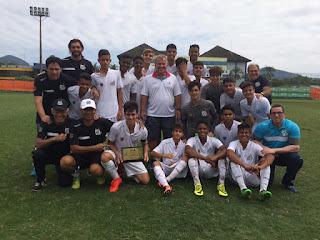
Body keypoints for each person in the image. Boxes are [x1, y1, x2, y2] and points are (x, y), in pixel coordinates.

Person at [60, 99, 118, 191]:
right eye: (85, 110)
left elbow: (118, 127)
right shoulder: (75, 125)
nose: (88, 112)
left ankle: (99, 174)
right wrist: (95, 147)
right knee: (64, 162)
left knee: (96, 170)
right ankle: (76, 175)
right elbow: (74, 149)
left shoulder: (101, 122)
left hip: (96, 156)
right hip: (79, 156)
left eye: (91, 110)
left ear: (95, 110)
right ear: (81, 110)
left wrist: (136, 122)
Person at [252, 104, 303, 193]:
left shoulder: (292, 126)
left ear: (284, 114)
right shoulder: (262, 126)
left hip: (283, 154)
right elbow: (253, 141)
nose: (276, 115)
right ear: (270, 115)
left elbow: (296, 147)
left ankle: (287, 182)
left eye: (279, 113)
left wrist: (275, 150)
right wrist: (265, 148)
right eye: (274, 113)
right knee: (269, 183)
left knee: (297, 159)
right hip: (267, 154)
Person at [140, 55, 181, 158]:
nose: (161, 66)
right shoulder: (148, 79)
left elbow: (177, 95)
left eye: (163, 64)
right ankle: (154, 159)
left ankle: (168, 158)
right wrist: (142, 110)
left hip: (169, 114)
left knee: (169, 139)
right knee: (153, 139)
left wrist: (179, 109)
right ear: (155, 65)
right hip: (152, 114)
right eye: (159, 64)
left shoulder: (173, 78)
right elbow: (144, 95)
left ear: (166, 65)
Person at [102, 101, 149, 187]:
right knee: (104, 157)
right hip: (118, 154)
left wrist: (145, 153)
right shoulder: (116, 127)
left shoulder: (142, 129)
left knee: (145, 180)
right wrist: (118, 154)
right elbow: (110, 143)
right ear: (124, 114)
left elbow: (145, 143)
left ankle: (126, 170)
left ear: (137, 115)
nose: (130, 117)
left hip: (131, 156)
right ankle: (117, 178)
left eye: (133, 114)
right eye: (128, 114)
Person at [31, 99, 73, 191]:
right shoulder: (46, 123)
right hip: (49, 154)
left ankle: (70, 172)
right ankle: (41, 179)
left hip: (64, 156)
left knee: (65, 183)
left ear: (67, 111)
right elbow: (38, 144)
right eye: (57, 111)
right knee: (37, 153)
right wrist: (54, 139)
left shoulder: (72, 124)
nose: (59, 114)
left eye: (62, 111)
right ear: (52, 111)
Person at [228, 123, 275, 200]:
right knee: (233, 161)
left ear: (250, 134)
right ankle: (243, 189)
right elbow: (230, 153)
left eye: (246, 133)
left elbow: (270, 156)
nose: (244, 135)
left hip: (252, 174)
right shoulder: (234, 143)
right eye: (241, 133)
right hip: (236, 177)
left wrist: (260, 167)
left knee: (265, 162)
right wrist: (245, 166)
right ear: (238, 134)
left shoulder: (254, 145)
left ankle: (263, 190)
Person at [186, 121, 227, 196]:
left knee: (222, 160)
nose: (202, 131)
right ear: (196, 130)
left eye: (204, 129)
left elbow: (224, 150)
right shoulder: (192, 140)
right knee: (191, 159)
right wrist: (204, 158)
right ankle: (197, 184)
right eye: (200, 129)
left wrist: (214, 157)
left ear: (208, 130)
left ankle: (221, 184)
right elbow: (188, 150)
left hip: (211, 168)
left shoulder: (213, 140)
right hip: (198, 169)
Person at [34, 56, 77, 125]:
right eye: (51, 69)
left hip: (62, 116)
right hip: (46, 115)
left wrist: (93, 88)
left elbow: (82, 87)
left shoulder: (68, 80)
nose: (54, 72)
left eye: (57, 69)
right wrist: (43, 116)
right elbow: (37, 100)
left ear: (61, 69)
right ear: (47, 69)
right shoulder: (40, 80)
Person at [150, 123, 188, 196]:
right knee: (155, 163)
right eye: (176, 131)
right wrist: (165, 155)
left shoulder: (183, 145)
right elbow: (152, 153)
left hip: (177, 169)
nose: (177, 133)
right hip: (166, 168)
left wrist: (175, 162)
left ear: (182, 134)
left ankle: (167, 180)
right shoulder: (165, 142)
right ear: (172, 132)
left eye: (180, 132)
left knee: (186, 157)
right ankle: (166, 186)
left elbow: (184, 159)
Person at [91, 49, 124, 122]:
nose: (105, 62)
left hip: (114, 112)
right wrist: (93, 88)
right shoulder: (94, 76)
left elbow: (120, 93)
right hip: (100, 112)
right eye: (103, 60)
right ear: (99, 60)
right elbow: (91, 90)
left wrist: (120, 110)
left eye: (107, 60)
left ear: (110, 61)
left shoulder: (116, 73)